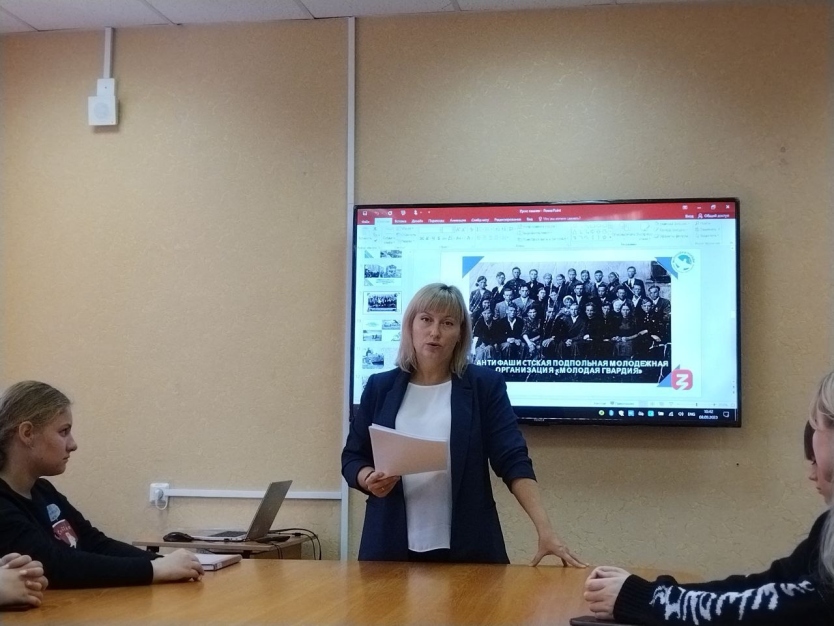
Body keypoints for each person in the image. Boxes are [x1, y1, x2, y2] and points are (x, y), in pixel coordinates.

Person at [341, 283, 584, 566]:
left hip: (469, 547)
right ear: (410, 326)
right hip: (389, 548)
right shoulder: (380, 387)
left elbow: (512, 459)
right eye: (426, 319)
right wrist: (368, 478)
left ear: (460, 334)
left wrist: (545, 530)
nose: (435, 332)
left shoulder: (484, 386)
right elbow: (353, 457)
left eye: (447, 323)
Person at [582, 372, 834, 625]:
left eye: (817, 424)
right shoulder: (827, 526)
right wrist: (652, 595)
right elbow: (769, 586)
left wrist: (648, 600)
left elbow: (788, 609)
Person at [0, 381, 204, 588]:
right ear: (27, 433)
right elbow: (54, 564)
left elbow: (95, 543)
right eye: (63, 432)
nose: (72, 445)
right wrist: (154, 569)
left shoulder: (44, 491)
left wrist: (164, 563)